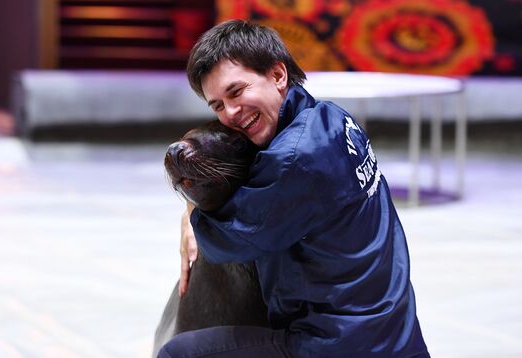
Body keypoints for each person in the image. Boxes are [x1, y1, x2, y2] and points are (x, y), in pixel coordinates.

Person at [158, 20, 429, 357]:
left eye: (237, 91)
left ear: (277, 75)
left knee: (178, 353)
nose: (231, 113)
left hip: (339, 343)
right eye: (217, 105)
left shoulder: (295, 158)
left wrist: (195, 211)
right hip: (392, 331)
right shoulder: (330, 118)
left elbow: (232, 240)